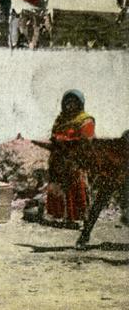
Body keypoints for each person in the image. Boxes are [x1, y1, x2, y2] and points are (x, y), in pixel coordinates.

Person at [46, 89, 94, 225]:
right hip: (59, 159)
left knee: (76, 189)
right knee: (57, 187)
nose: (70, 105)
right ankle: (59, 216)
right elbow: (54, 134)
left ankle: (77, 219)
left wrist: (68, 140)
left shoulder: (86, 120)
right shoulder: (60, 119)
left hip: (75, 160)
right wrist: (57, 139)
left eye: (74, 102)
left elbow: (87, 140)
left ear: (80, 104)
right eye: (67, 102)